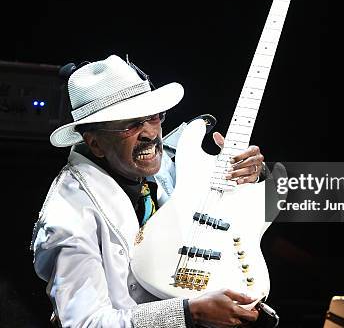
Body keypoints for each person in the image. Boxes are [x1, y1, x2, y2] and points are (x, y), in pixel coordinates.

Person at [31, 55, 266, 328]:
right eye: (130, 124)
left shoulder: (166, 162)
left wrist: (254, 175)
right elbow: (87, 323)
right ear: (95, 144)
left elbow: (273, 203)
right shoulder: (69, 218)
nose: (150, 133)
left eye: (153, 117)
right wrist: (189, 313)